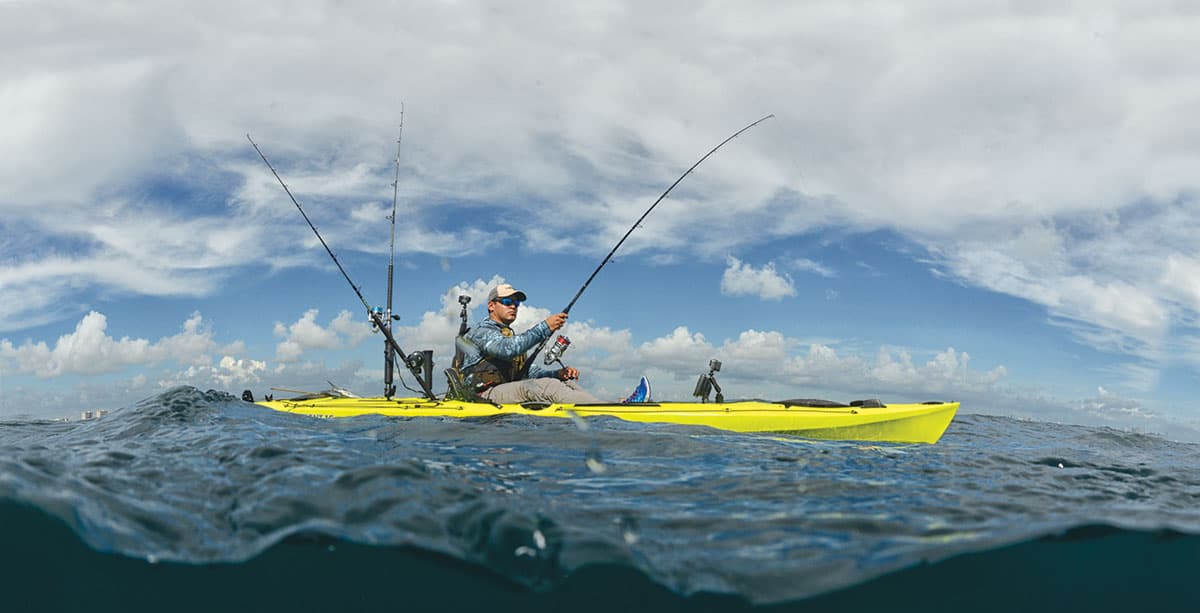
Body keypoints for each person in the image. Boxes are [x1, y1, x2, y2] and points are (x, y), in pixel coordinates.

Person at [459, 283, 650, 404]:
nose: (513, 306)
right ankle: (612, 409)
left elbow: (528, 371)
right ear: (491, 305)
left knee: (565, 383)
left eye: (516, 304)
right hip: (484, 395)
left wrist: (557, 374)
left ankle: (617, 404)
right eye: (507, 301)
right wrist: (545, 327)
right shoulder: (481, 331)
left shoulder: (508, 333)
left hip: (504, 389)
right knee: (540, 387)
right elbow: (509, 349)